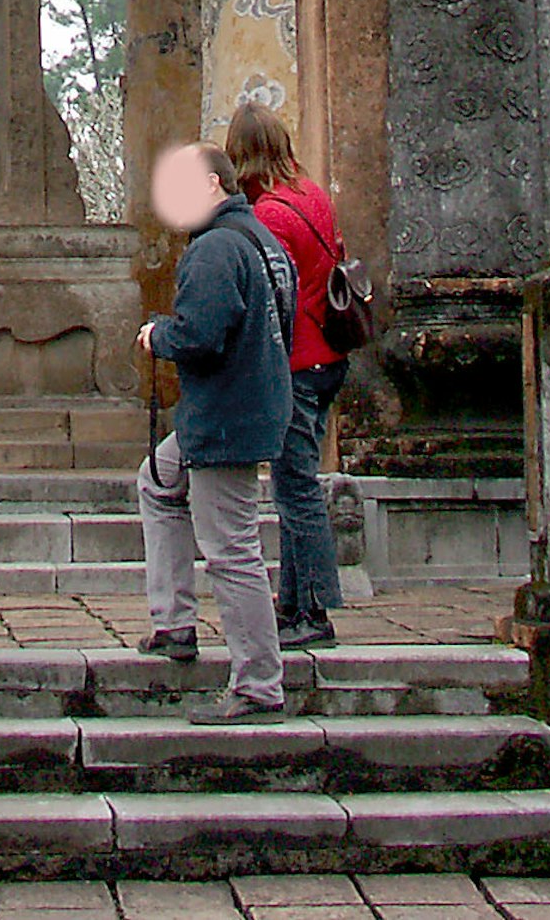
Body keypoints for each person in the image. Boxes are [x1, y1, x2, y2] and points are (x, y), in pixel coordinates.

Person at [133, 138, 297, 721]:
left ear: (212, 186)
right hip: (250, 406)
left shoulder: (215, 249)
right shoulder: (263, 241)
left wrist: (159, 336)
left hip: (226, 419)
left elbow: (201, 335)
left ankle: (258, 684)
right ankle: (174, 622)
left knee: (232, 550)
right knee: (156, 485)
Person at [225, 100, 348, 651]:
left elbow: (271, 296)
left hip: (297, 363)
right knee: (296, 482)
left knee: (296, 490)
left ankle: (316, 608)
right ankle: (293, 603)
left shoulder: (271, 214)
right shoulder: (312, 195)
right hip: (329, 358)